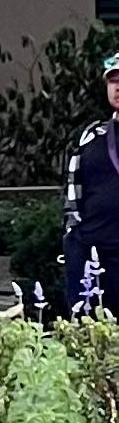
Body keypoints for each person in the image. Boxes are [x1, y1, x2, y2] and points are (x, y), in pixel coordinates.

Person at [66, 51, 119, 316]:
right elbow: (73, 196)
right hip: (92, 255)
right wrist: (73, 239)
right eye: (113, 80)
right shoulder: (91, 136)